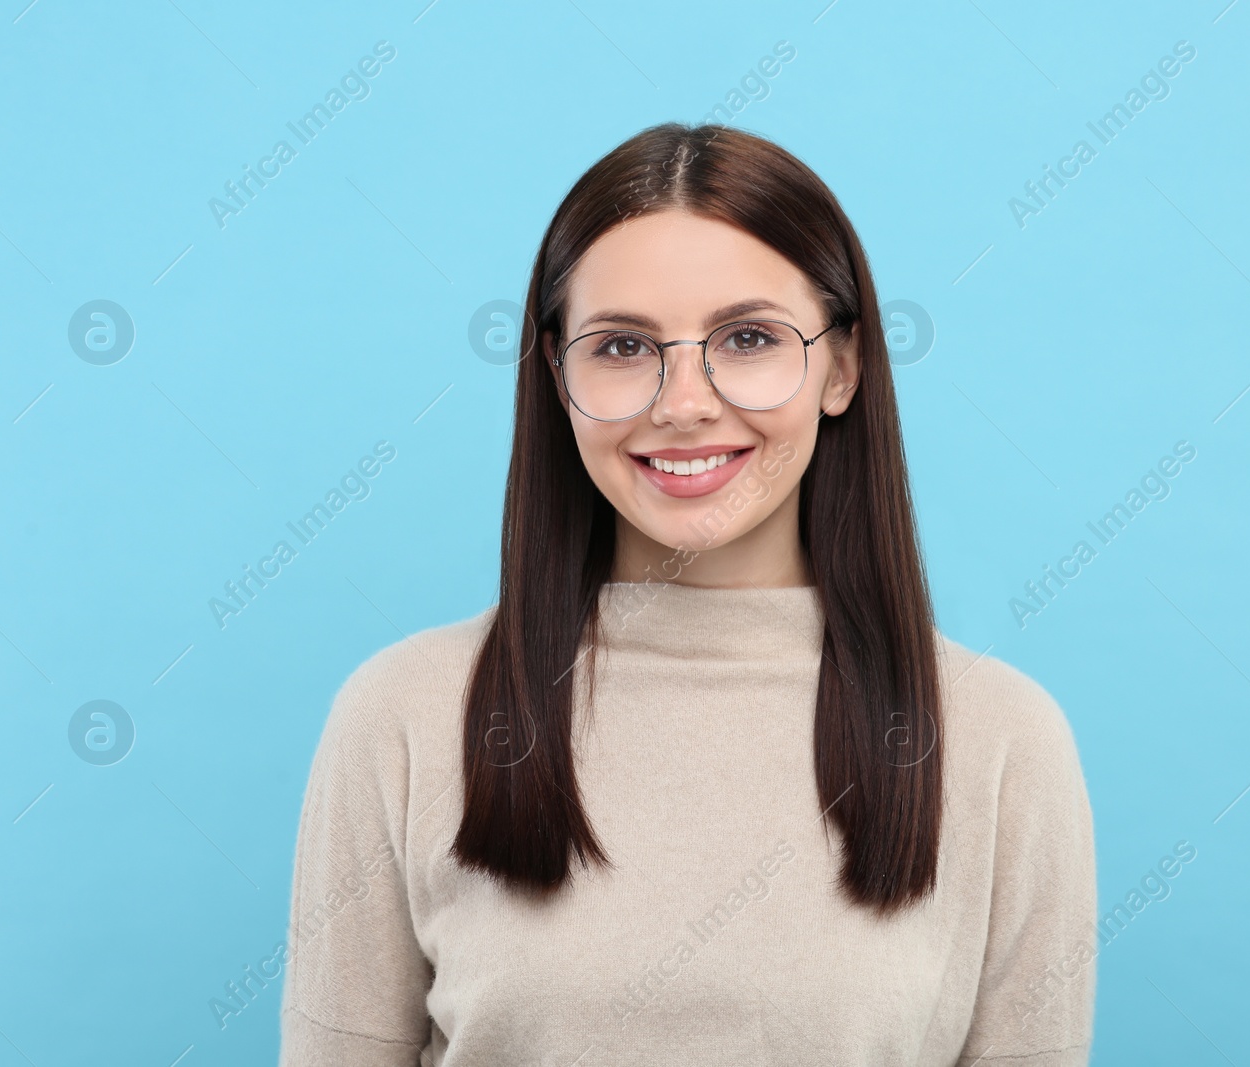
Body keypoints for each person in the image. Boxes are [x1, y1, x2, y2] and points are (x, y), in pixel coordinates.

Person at [278, 122, 1095, 1066]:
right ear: (557, 374)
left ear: (844, 366)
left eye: (747, 338)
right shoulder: (403, 717)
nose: (683, 402)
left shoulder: (1001, 741)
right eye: (622, 346)